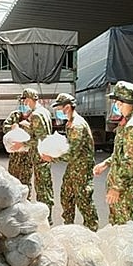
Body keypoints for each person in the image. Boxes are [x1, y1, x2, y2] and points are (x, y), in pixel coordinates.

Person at [93, 81, 133, 231]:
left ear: (127, 103)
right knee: (119, 225)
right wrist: (106, 163)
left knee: (130, 227)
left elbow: (130, 161)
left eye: (118, 102)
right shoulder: (127, 123)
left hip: (127, 188)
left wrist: (117, 188)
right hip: (124, 186)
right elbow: (121, 153)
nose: (116, 105)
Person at [43, 93, 99, 230]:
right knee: (66, 196)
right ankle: (69, 227)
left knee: (83, 199)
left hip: (82, 168)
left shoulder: (77, 125)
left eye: (59, 108)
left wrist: (52, 157)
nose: (58, 112)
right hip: (74, 166)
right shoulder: (70, 123)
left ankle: (92, 228)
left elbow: (73, 153)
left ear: (67, 107)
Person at [15, 88, 54, 219]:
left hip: (40, 156)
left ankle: (46, 218)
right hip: (45, 154)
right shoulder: (45, 112)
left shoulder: (37, 114)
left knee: (43, 190)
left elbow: (39, 138)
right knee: (45, 187)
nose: (25, 103)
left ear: (31, 99)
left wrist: (22, 144)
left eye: (25, 100)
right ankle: (47, 216)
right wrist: (28, 125)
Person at [2, 99, 32, 190]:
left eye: (26, 103)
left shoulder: (34, 116)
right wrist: (12, 127)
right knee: (13, 179)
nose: (24, 105)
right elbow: (4, 127)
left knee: (26, 181)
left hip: (27, 155)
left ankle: (27, 200)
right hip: (14, 154)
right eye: (22, 103)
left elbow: (37, 135)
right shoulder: (15, 115)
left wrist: (29, 126)